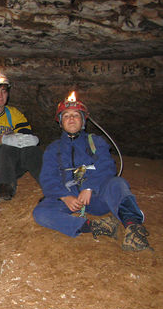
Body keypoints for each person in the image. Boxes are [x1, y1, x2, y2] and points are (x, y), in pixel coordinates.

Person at [33, 93, 151, 251]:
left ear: (83, 120)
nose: (71, 119)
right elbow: (47, 178)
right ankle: (96, 226)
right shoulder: (54, 149)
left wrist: (89, 187)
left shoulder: (95, 142)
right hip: (71, 199)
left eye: (76, 115)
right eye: (66, 116)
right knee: (41, 212)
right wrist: (65, 196)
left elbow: (107, 166)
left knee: (117, 183)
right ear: (60, 123)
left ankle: (134, 228)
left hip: (96, 197)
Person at [0, 70, 42, 203]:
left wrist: (29, 139)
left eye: (3, 91)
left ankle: (51, 189)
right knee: (7, 147)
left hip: (14, 165)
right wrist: (2, 139)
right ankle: (6, 190)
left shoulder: (14, 113)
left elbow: (26, 132)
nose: (0, 96)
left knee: (33, 150)